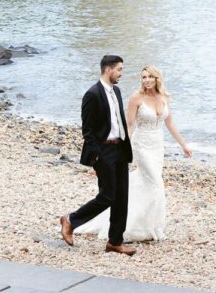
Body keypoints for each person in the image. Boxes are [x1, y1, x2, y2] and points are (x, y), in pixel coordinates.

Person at [75, 65, 192, 242]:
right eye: (144, 77)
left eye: (150, 77)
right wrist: (120, 150)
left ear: (157, 78)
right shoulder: (136, 98)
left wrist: (184, 145)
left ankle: (145, 225)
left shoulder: (164, 97)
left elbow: (170, 123)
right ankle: (140, 228)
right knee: (157, 184)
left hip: (157, 146)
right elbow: (128, 126)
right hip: (141, 145)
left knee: (145, 183)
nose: (146, 80)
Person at [59, 55, 136, 255]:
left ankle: (115, 241)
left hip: (120, 149)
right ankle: (71, 220)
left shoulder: (116, 91)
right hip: (104, 151)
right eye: (119, 69)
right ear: (108, 69)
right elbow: (88, 131)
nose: (121, 73)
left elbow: (117, 121)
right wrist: (97, 156)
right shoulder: (92, 94)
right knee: (107, 196)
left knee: (122, 198)